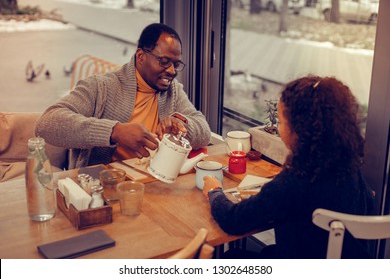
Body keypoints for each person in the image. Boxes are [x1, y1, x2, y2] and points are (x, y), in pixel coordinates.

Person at [203, 76, 375, 259]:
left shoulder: (295, 180)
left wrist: (214, 191)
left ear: (299, 129)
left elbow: (234, 221)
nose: (277, 127)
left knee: (232, 257)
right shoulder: (349, 166)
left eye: (281, 121)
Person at [35, 23, 211, 169]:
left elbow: (204, 132)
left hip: (155, 182)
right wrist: (114, 131)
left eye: (176, 64)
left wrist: (181, 123)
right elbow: (46, 125)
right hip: (102, 186)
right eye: (164, 62)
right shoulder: (101, 87)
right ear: (141, 56)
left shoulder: (173, 91)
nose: (172, 71)